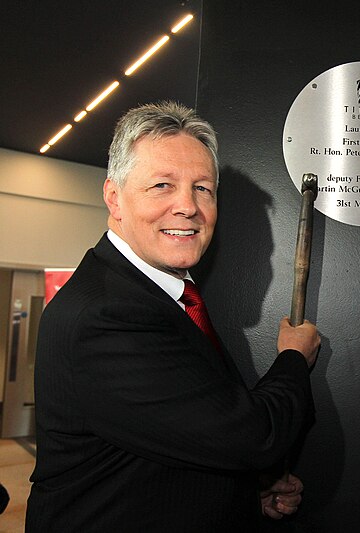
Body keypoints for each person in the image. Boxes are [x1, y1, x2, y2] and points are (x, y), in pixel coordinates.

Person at [26, 101, 320, 532]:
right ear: (114, 197)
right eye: (162, 185)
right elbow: (254, 438)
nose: (188, 207)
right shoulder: (107, 316)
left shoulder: (161, 297)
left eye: (203, 188)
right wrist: (294, 358)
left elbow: (171, 444)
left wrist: (245, 496)